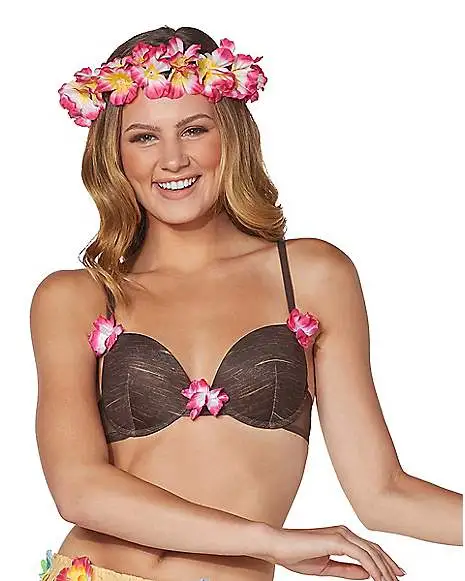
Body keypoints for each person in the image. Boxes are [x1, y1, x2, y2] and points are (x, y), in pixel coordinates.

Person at [31, 25, 462, 581]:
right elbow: (79, 489)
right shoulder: (77, 296)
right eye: (144, 137)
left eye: (194, 130)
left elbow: (382, 492)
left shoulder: (310, 276)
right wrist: (270, 542)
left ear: (230, 136)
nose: (172, 159)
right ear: (115, 153)